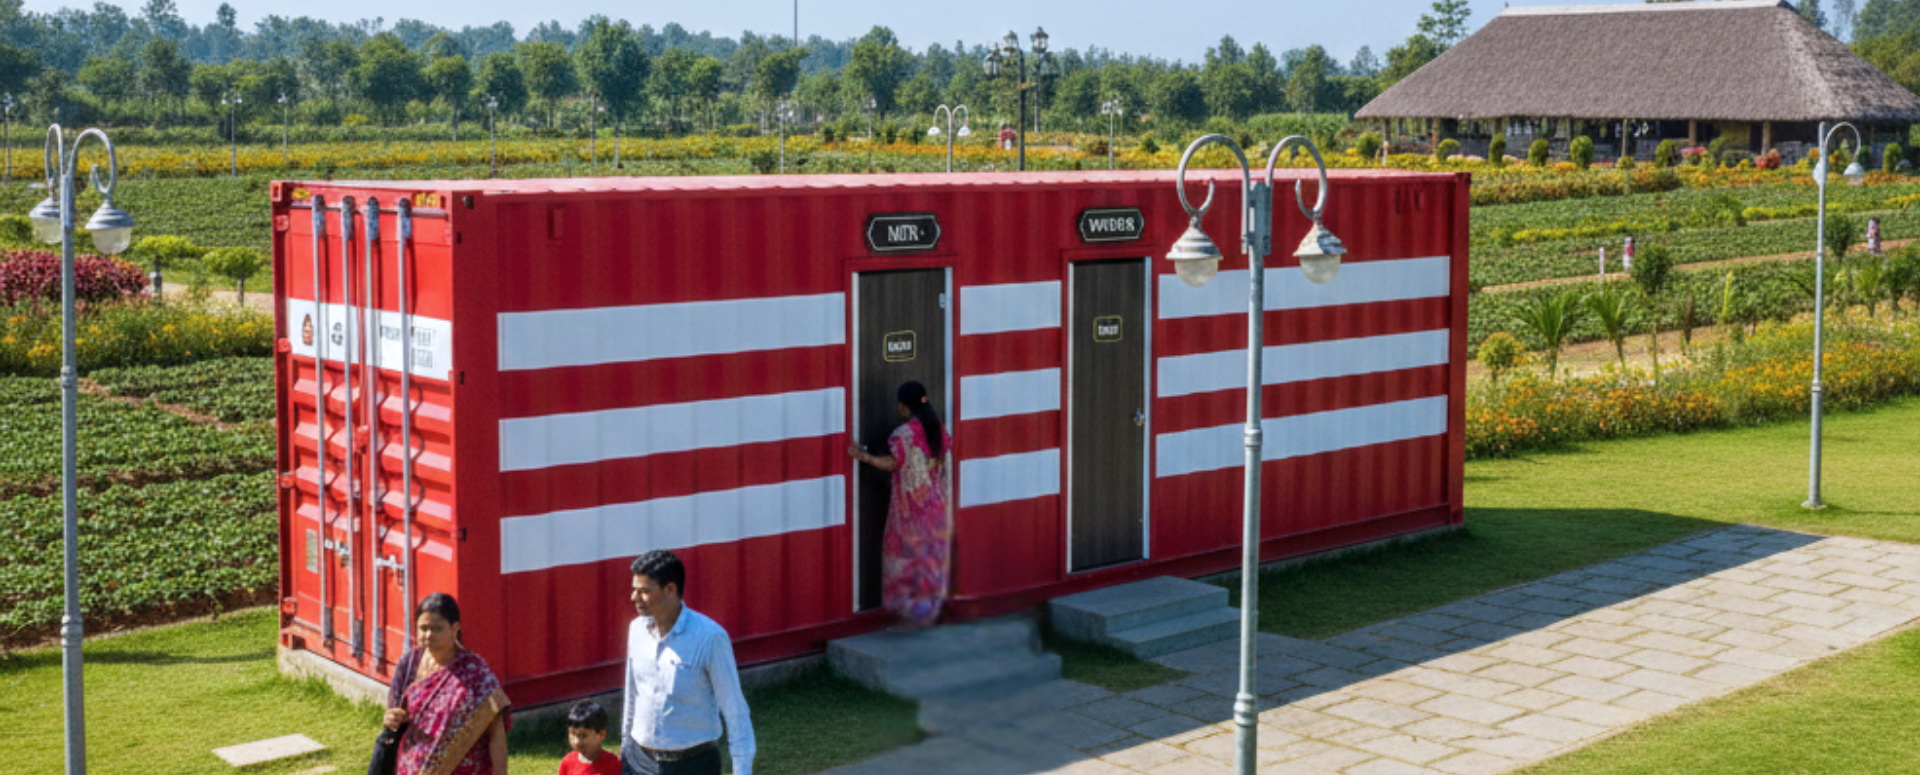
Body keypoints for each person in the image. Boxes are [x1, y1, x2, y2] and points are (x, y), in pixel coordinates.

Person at [623, 550, 755, 775]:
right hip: (638, 763)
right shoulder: (636, 630)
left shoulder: (710, 638)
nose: (633, 598)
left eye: (644, 591)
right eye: (634, 589)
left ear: (671, 590)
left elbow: (735, 711)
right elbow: (632, 695)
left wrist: (742, 770)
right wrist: (626, 748)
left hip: (693, 766)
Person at [847, 380, 952, 630]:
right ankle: (931, 616)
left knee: (907, 563)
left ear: (904, 406)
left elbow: (893, 463)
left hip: (911, 512)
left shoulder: (903, 435)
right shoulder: (940, 429)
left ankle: (910, 620)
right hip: (937, 508)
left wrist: (863, 456)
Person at [382, 593, 511, 775]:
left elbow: (496, 732)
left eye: (436, 629)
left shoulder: (475, 672)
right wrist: (392, 718)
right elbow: (393, 714)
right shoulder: (409, 663)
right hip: (410, 768)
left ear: (454, 628)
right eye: (423, 628)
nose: (428, 635)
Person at [557, 700, 620, 775]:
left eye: (583, 735)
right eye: (572, 734)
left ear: (601, 735)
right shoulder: (567, 763)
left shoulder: (612, 764)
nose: (576, 741)